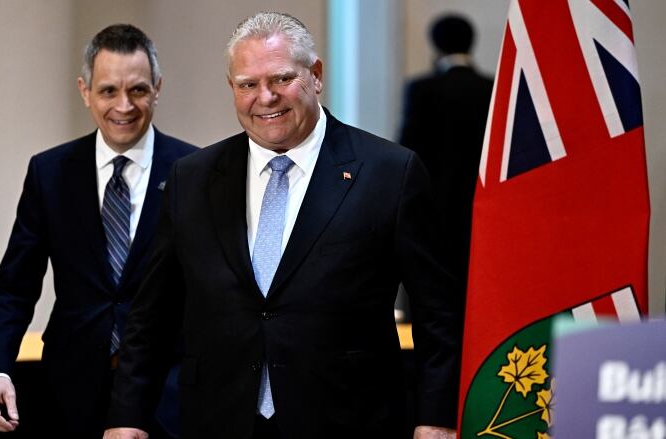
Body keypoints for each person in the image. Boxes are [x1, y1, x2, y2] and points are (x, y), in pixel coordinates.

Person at [104, 12, 462, 439]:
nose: (266, 97)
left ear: (316, 75)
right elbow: (152, 315)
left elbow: (437, 313)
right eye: (247, 85)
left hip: (348, 420)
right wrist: (126, 416)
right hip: (218, 420)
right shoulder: (192, 178)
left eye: (280, 79)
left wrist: (436, 418)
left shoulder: (389, 172)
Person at [0, 24, 196, 437]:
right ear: (85, 91)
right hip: (70, 395)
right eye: (108, 90)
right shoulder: (50, 173)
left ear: (158, 88)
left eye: (137, 90)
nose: (124, 105)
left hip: (167, 397)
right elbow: (14, 287)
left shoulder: (194, 171)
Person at [397, 14, 494, 291]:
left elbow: (407, 149)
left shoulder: (422, 89)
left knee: (432, 288)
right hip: (480, 208)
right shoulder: (491, 88)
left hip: (431, 207)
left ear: (435, 43)